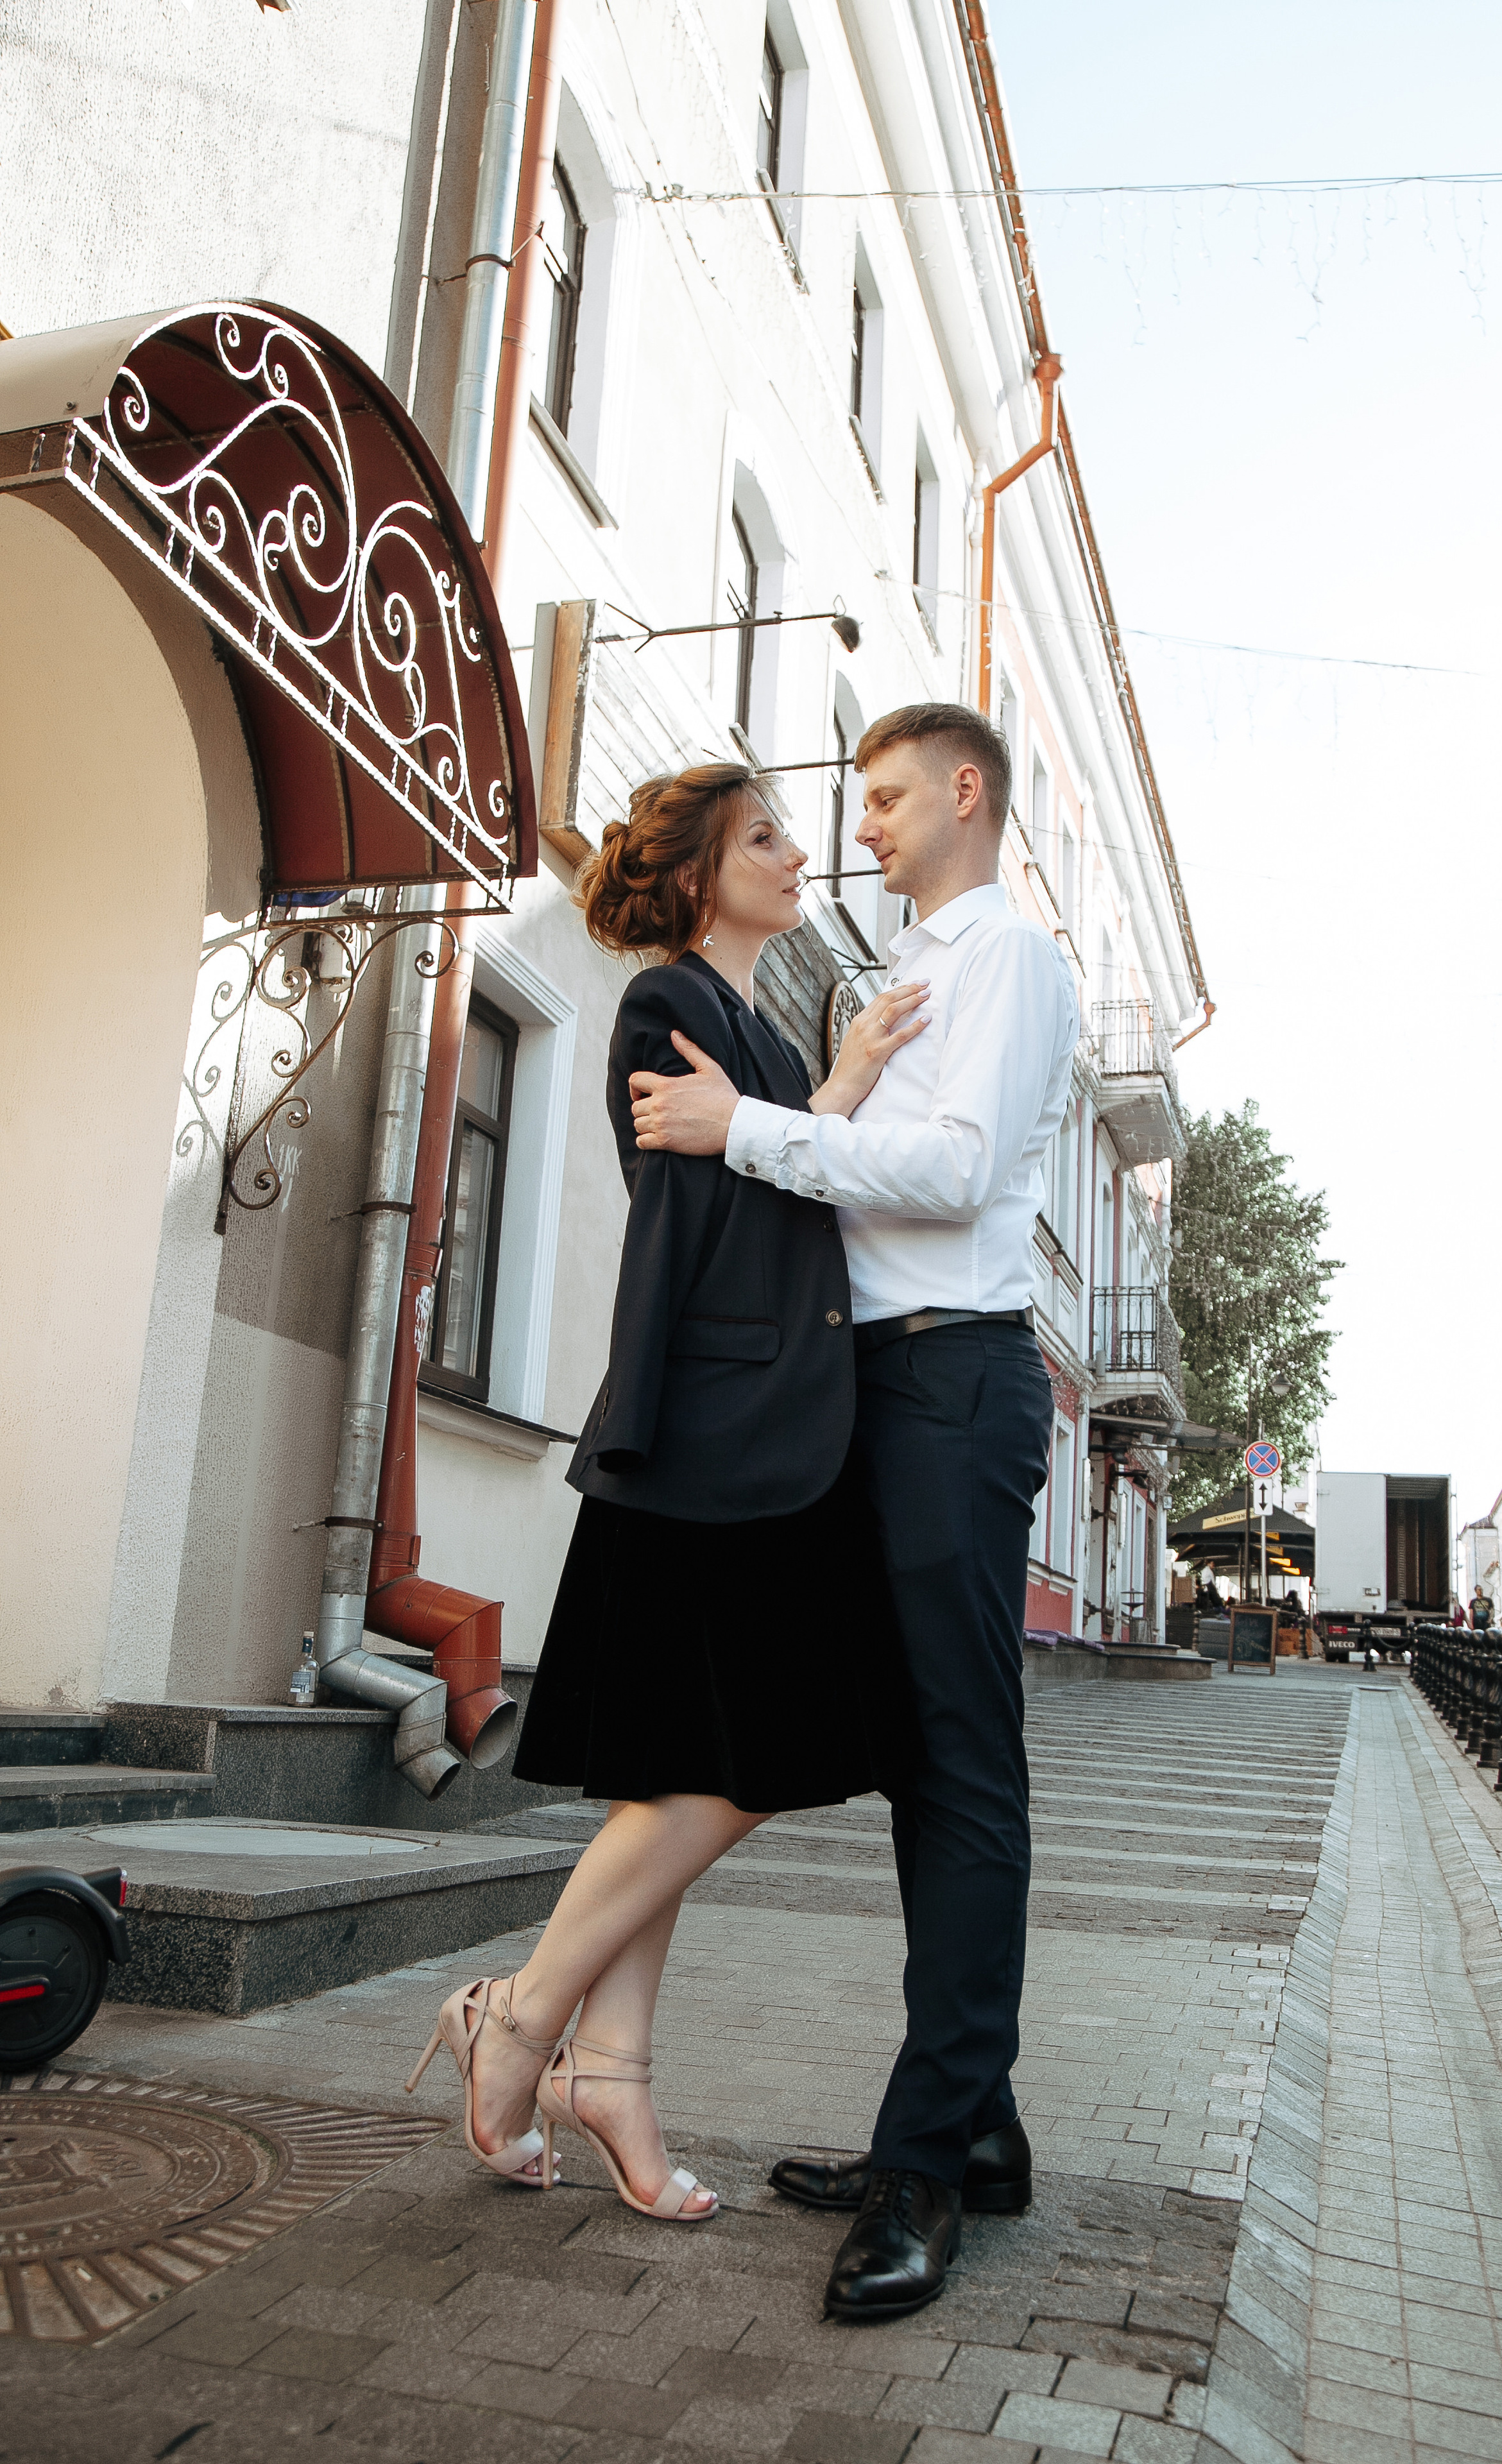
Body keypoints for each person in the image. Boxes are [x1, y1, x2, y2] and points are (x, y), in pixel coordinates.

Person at [407, 761, 928, 2220]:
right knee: (748, 1765)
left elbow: (770, 1170)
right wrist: (832, 1100)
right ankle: (517, 2027)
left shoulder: (753, 1022)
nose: (799, 850)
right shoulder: (668, 1003)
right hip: (713, 1441)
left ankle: (609, 2071)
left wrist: (824, 1090)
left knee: (680, 1770)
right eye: (765, 835)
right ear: (699, 875)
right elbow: (702, 1208)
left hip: (760, 1438)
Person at [631, 702, 1080, 2320]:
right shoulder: (908, 984)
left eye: (886, 797)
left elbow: (952, 1174)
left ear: (967, 791)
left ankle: (923, 2169)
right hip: (882, 1392)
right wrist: (808, 1104)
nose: (862, 825)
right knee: (911, 1763)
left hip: (952, 1387)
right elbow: (866, 1165)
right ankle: (969, 2124)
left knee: (958, 1763)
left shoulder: (1008, 963)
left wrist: (740, 1126)